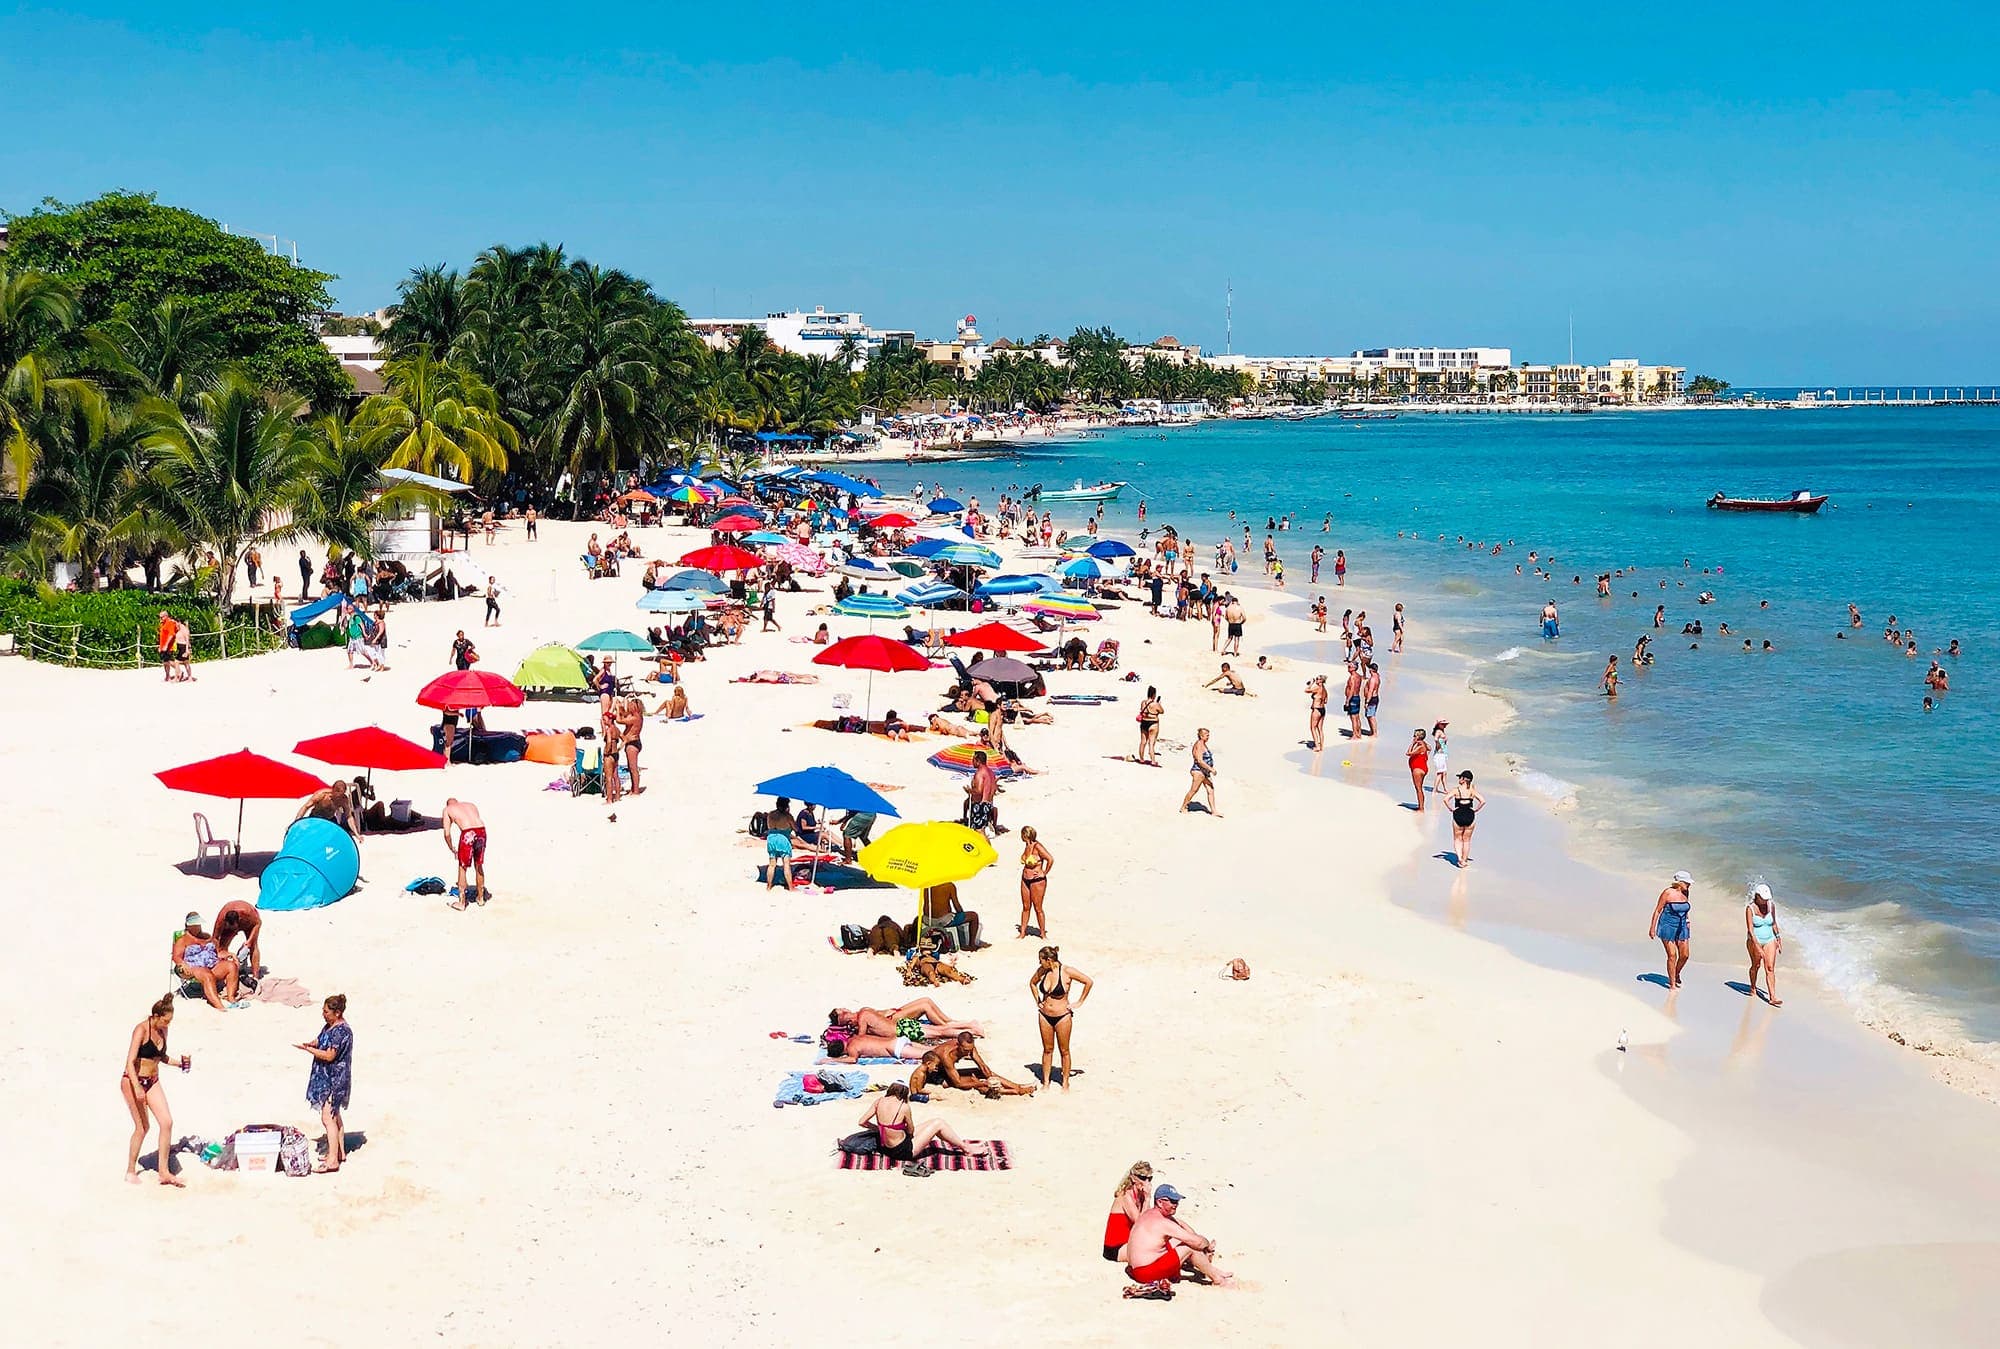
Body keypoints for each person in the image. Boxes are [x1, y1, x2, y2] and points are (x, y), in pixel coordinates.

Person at [122, 994, 186, 1186]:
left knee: (166, 1122)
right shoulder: (141, 1030)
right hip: (133, 1080)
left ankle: (164, 1172)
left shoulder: (163, 1030)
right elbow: (130, 1062)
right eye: (166, 1020)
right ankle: (130, 1170)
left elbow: (161, 1056)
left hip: (153, 1080)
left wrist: (179, 1064)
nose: (168, 1025)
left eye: (170, 1021)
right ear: (156, 1016)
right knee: (142, 1128)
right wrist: (137, 1087)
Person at [289, 993, 356, 1174]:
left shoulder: (341, 1031)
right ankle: (339, 1152)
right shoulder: (330, 1026)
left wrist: (309, 1050)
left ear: (337, 1012)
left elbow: (329, 1055)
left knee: (328, 1118)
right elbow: (321, 1039)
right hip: (328, 1076)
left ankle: (332, 1160)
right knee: (335, 1116)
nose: (323, 1014)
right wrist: (313, 1043)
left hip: (334, 1078)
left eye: (327, 1012)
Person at [1124, 1186, 1232, 1291]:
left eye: (1177, 1201)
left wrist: (1182, 1225)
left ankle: (1215, 1271)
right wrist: (1207, 1246)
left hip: (1134, 1269)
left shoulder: (1149, 1214)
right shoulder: (1163, 1222)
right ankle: (1217, 1279)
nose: (1176, 1205)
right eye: (1172, 1201)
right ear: (1160, 1202)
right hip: (1145, 1273)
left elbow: (1182, 1226)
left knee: (1179, 1241)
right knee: (1189, 1247)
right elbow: (1197, 1242)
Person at [857, 1081, 986, 1165]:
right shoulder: (903, 1107)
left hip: (885, 1148)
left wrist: (879, 1128)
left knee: (934, 1123)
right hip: (902, 1151)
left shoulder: (879, 1101)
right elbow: (911, 1130)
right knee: (938, 1123)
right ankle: (966, 1149)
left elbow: (862, 1122)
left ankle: (963, 1146)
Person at [1031, 944, 1092, 1090]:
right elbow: (1032, 983)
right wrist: (1038, 1001)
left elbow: (1088, 981)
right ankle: (1046, 1082)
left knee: (1064, 1050)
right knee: (1047, 1049)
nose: (1040, 963)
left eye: (1041, 960)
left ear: (1049, 960)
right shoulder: (1042, 971)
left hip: (1062, 1016)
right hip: (1044, 1015)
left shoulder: (1067, 971)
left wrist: (1079, 1002)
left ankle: (1065, 1082)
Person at [911, 1032, 1037, 1098]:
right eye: (965, 1050)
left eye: (970, 1049)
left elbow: (982, 1066)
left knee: (983, 1073)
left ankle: (1018, 1087)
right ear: (958, 1045)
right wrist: (983, 1083)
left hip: (949, 1070)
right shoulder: (946, 1055)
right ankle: (1012, 1092)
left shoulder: (970, 1047)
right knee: (973, 1081)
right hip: (936, 1073)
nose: (968, 1052)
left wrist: (990, 1078)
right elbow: (958, 1082)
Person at [173, 911, 243, 1010]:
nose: (198, 927)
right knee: (207, 974)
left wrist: (230, 954)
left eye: (198, 925)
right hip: (194, 968)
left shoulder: (206, 936)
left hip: (213, 964)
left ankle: (231, 998)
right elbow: (176, 957)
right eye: (195, 925)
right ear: (188, 926)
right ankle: (219, 1005)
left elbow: (217, 952)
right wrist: (183, 964)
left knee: (231, 966)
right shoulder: (182, 940)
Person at [1648, 870, 1694, 989]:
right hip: (1667, 925)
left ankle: (1676, 973)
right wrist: (1652, 928)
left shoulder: (1686, 892)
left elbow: (1685, 907)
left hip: (1682, 925)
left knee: (1685, 955)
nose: (1689, 885)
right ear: (1679, 882)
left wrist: (1688, 921)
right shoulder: (1667, 893)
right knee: (1672, 955)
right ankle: (1672, 984)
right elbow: (1658, 910)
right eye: (1686, 883)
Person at [442, 797, 488, 909]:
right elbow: (474, 821)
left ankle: (462, 902)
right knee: (478, 864)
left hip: (468, 833)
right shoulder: (470, 804)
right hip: (481, 830)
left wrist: (452, 848)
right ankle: (480, 898)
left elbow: (447, 833)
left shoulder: (447, 809)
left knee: (462, 866)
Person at [1104, 1162, 1154, 1261]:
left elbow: (1148, 1219)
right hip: (1116, 1248)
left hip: (1130, 1242)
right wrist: (1148, 1199)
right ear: (1133, 1178)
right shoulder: (1125, 1196)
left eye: (1150, 1179)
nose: (1147, 1182)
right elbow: (1140, 1223)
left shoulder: (1141, 1196)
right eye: (1143, 1178)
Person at [1745, 883, 1783, 1006]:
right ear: (1757, 896)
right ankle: (1752, 987)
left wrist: (1778, 938)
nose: (1765, 901)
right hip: (1754, 940)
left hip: (1769, 939)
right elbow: (1750, 930)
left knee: (1770, 967)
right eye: (1763, 898)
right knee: (1756, 965)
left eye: (1767, 899)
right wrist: (1757, 946)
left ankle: (1772, 997)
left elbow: (1774, 923)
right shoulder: (1750, 909)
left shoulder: (1771, 906)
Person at [1018, 825, 1053, 938]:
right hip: (1025, 879)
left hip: (1037, 880)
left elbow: (1050, 859)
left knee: (1038, 908)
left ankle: (1043, 933)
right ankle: (1022, 932)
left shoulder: (1037, 847)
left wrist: (1044, 872)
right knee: (1025, 907)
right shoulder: (1027, 846)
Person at [214, 899, 263, 976]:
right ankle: (224, 970)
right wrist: (217, 952)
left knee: (253, 946)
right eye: (228, 926)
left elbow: (258, 923)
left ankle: (256, 975)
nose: (234, 930)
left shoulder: (248, 913)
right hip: (230, 920)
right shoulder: (221, 919)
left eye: (232, 927)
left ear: (239, 920)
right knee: (221, 946)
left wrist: (250, 941)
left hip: (250, 924)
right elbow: (215, 938)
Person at [1179, 728, 1219, 816]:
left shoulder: (1203, 744)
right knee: (1194, 790)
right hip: (1199, 771)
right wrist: (1211, 769)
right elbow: (1200, 760)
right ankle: (1183, 806)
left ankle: (1214, 811)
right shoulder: (1199, 744)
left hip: (1205, 772)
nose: (1208, 737)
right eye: (1207, 735)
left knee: (1210, 790)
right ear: (1201, 736)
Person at [1447, 771, 1484, 866]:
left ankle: (1460, 859)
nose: (1459, 779)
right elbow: (1482, 801)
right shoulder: (1472, 791)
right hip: (1470, 815)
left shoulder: (1456, 790)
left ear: (1463, 779)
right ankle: (1465, 859)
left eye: (1460, 777)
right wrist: (1476, 810)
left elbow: (1445, 799)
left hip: (1458, 814)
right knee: (1466, 840)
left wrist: (1451, 808)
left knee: (1457, 839)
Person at [763, 796, 796, 891]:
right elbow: (795, 828)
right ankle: (790, 887)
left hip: (772, 839)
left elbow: (769, 826)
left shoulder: (770, 814)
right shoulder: (788, 816)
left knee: (772, 864)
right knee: (786, 864)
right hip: (783, 840)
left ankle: (768, 887)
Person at [964, 751, 1000, 836]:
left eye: (973, 759)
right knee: (982, 831)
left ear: (978, 760)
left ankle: (987, 848)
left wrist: (969, 790)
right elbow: (994, 789)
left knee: (979, 831)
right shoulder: (991, 772)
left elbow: (979, 791)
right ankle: (987, 848)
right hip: (988, 804)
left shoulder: (980, 772)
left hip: (980, 805)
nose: (972, 762)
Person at [617, 695, 645, 795]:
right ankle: (633, 789)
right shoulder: (635, 716)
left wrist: (617, 708)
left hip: (633, 744)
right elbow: (624, 714)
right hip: (632, 742)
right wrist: (621, 706)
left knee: (633, 768)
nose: (629, 707)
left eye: (631, 705)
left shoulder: (635, 717)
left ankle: (636, 791)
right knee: (631, 767)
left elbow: (619, 720)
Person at [1136, 686, 1164, 765]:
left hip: (1144, 722)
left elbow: (1143, 711)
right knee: (1151, 743)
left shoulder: (1143, 702)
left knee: (1143, 742)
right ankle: (1153, 760)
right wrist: (1159, 704)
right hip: (1153, 723)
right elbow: (1162, 711)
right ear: (1154, 694)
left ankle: (1141, 759)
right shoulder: (1155, 704)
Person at [1406, 728, 1430, 810]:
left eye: (1415, 735)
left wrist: (1412, 744)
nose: (1413, 737)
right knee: (1419, 788)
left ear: (1418, 737)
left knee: (1418, 789)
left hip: (1418, 769)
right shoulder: (1424, 744)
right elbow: (1429, 748)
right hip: (1422, 767)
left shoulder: (1420, 746)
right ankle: (1421, 806)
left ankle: (1421, 808)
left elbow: (1408, 753)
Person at [1305, 675, 1328, 749]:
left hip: (1316, 709)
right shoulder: (1324, 689)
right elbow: (1326, 701)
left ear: (1321, 681)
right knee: (1320, 728)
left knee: (1313, 728)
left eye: (1318, 679)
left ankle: (1317, 746)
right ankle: (1321, 746)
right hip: (1323, 709)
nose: (1316, 680)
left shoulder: (1317, 688)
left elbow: (1306, 690)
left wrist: (1311, 683)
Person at [1429, 722, 1451, 796]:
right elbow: (1435, 739)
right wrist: (1439, 745)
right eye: (1443, 724)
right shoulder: (1438, 731)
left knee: (1444, 773)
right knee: (1440, 773)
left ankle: (1445, 789)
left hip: (1442, 754)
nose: (1444, 725)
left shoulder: (1441, 731)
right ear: (1439, 724)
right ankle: (1434, 790)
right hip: (1439, 754)